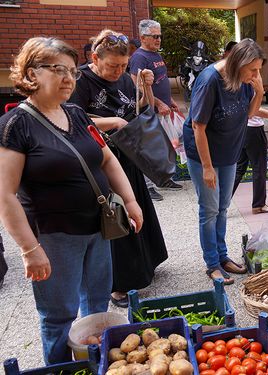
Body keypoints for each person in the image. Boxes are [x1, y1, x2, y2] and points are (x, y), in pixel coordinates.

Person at [0, 37, 142, 364]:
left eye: (71, 71)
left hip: (99, 228)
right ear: (31, 73)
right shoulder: (15, 126)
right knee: (58, 316)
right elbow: (5, 195)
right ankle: (60, 368)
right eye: (57, 69)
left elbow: (107, 159)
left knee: (96, 308)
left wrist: (131, 201)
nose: (67, 78)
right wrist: (29, 250)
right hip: (54, 237)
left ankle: (92, 364)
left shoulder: (77, 113)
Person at [70, 29, 169, 307]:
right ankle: (118, 285)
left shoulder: (125, 78)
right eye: (113, 65)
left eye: (123, 66)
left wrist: (146, 87)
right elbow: (71, 118)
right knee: (115, 217)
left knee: (137, 208)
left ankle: (146, 265)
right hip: (98, 159)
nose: (118, 71)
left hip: (126, 154)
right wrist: (111, 121)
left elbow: (138, 109)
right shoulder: (80, 80)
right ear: (95, 58)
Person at [183, 38, 265, 284]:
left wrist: (259, 91)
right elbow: (198, 126)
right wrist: (207, 168)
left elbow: (247, 114)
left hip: (228, 151)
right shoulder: (210, 80)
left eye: (258, 69)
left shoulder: (245, 80)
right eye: (253, 70)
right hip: (204, 153)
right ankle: (212, 264)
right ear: (238, 63)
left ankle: (222, 255)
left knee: (222, 208)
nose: (256, 74)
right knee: (209, 210)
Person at [129, 19, 183, 200]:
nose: (159, 40)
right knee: (151, 149)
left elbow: (160, 80)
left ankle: (165, 179)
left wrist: (170, 99)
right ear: (143, 37)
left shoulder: (156, 56)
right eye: (154, 36)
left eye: (160, 36)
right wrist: (159, 103)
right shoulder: (139, 57)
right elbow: (136, 85)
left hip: (163, 110)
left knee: (167, 146)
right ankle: (148, 186)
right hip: (150, 111)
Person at [232, 109, 268, 214]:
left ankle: (221, 202)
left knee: (240, 168)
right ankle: (259, 205)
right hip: (254, 130)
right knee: (259, 167)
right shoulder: (252, 91)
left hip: (241, 128)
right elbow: (253, 109)